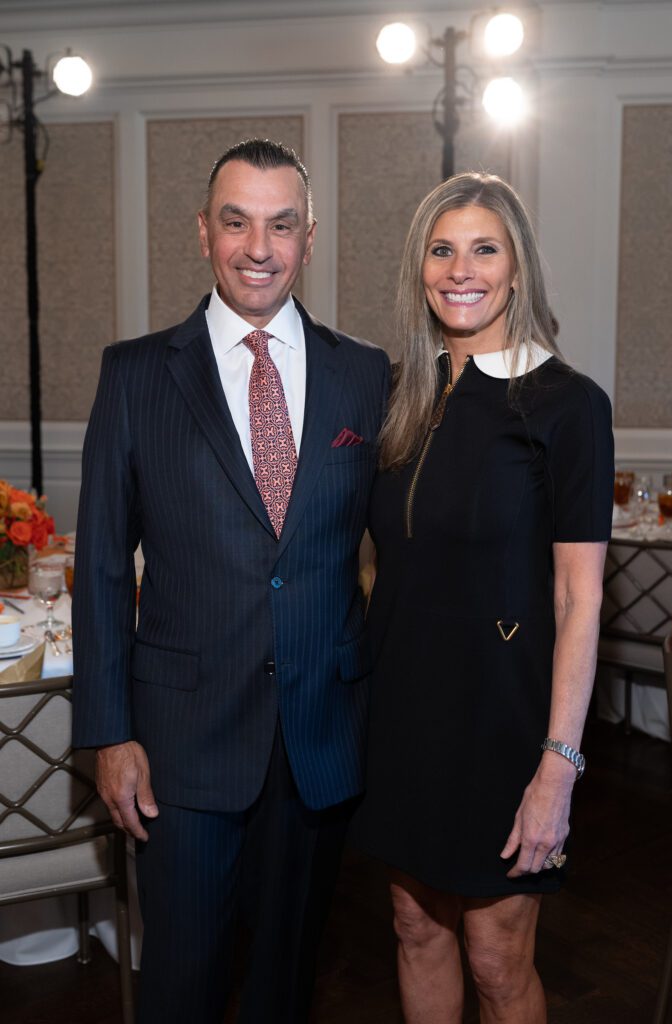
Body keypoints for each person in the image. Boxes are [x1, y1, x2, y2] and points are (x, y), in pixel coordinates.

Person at [72, 138, 390, 1023]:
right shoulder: (135, 374)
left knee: (287, 987)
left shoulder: (363, 373)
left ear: (309, 238)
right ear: (203, 232)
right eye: (236, 222)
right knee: (181, 985)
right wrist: (109, 733)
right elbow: (102, 566)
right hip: (179, 746)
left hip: (319, 740)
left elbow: (406, 542)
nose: (258, 247)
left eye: (281, 225)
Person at [353, 171, 614, 1023]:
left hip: (503, 722)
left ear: (516, 267)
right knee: (413, 927)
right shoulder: (397, 395)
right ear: (419, 267)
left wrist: (557, 767)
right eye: (441, 250)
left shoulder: (567, 406)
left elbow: (578, 599)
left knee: (498, 959)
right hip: (401, 712)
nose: (460, 270)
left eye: (483, 249)